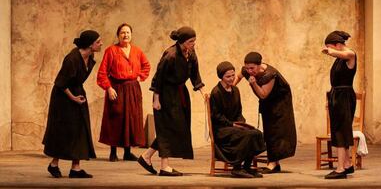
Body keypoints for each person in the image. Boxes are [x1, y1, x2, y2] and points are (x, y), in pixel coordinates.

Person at [138, 26, 204, 176]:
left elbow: (195, 74)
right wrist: (156, 99)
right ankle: (164, 166)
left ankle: (147, 156)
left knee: (177, 127)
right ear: (182, 42)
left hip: (180, 93)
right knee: (167, 128)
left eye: (194, 41)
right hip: (166, 94)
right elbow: (158, 78)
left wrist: (202, 91)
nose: (194, 44)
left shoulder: (190, 53)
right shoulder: (170, 55)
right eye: (191, 41)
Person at [43, 30, 103, 178]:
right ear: (90, 44)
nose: (101, 43)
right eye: (98, 41)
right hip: (63, 97)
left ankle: (75, 168)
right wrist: (73, 98)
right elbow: (61, 84)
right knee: (63, 130)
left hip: (77, 92)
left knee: (80, 129)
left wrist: (77, 97)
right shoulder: (72, 59)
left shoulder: (89, 56)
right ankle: (53, 164)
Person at [233, 52, 297, 174]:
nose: (249, 71)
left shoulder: (270, 74)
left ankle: (273, 164)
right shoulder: (248, 70)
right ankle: (274, 163)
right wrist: (230, 87)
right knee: (269, 131)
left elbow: (263, 94)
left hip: (280, 104)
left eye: (252, 68)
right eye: (247, 68)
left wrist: (253, 83)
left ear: (259, 65)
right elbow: (239, 76)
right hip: (269, 103)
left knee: (276, 132)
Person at [97, 23, 151, 161]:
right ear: (118, 35)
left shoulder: (137, 51)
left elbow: (146, 65)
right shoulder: (111, 51)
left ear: (131, 35)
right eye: (122, 33)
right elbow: (102, 73)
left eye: (128, 32)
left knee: (131, 119)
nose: (125, 35)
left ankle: (127, 152)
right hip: (116, 88)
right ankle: (113, 152)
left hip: (133, 89)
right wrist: (109, 88)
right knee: (116, 118)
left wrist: (139, 77)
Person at [210, 61, 266, 178]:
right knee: (246, 135)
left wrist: (242, 124)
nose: (231, 79)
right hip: (222, 129)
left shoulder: (235, 91)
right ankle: (236, 168)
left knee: (255, 133)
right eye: (228, 76)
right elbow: (216, 116)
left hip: (234, 126)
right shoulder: (216, 92)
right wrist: (232, 124)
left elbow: (239, 112)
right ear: (221, 76)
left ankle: (246, 167)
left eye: (233, 76)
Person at [322, 30, 357, 179]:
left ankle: (340, 168)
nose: (330, 49)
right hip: (337, 95)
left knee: (342, 131)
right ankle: (347, 164)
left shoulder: (350, 54)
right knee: (338, 130)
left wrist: (329, 51)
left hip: (344, 96)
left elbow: (344, 54)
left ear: (337, 45)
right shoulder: (339, 58)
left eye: (332, 46)